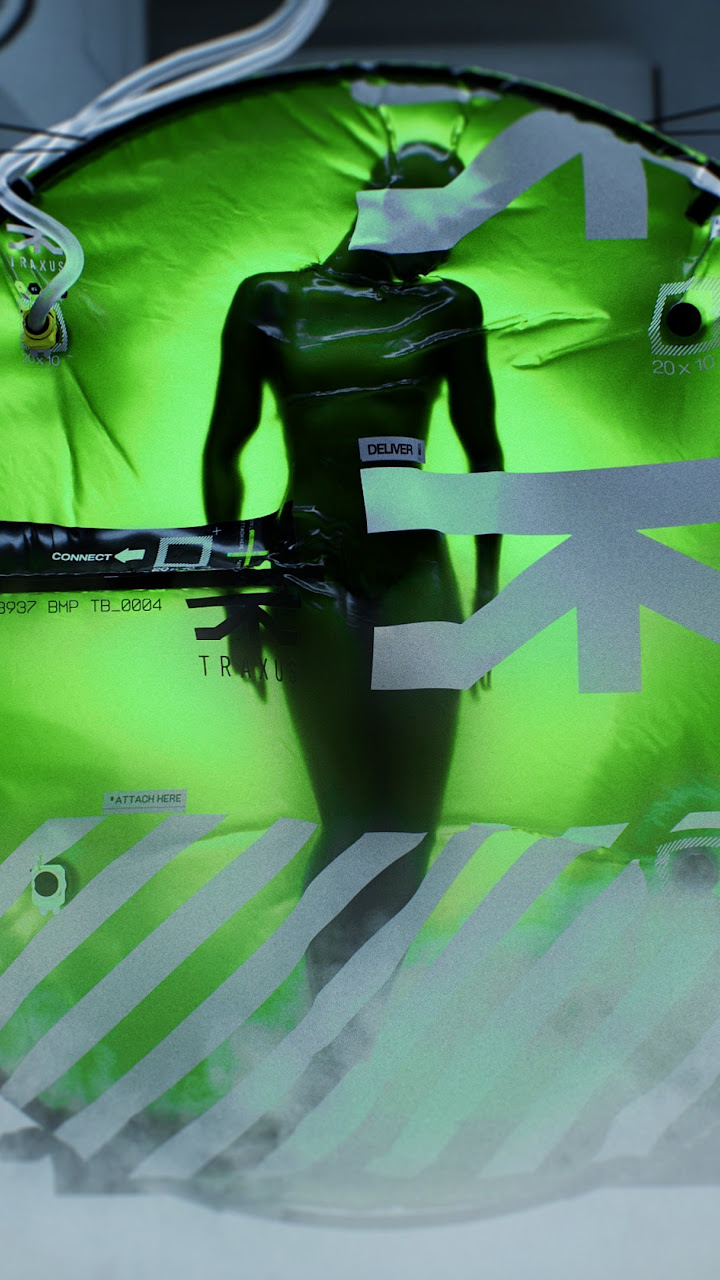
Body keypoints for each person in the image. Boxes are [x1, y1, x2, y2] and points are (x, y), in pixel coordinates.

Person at [203, 142, 503, 995]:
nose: (449, 235)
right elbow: (224, 451)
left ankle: (366, 1023)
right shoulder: (272, 299)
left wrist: (489, 594)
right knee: (349, 820)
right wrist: (235, 592)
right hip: (311, 568)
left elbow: (485, 454)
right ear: (383, 197)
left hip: (413, 571)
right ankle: (325, 1030)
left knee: (409, 827)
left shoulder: (449, 305)